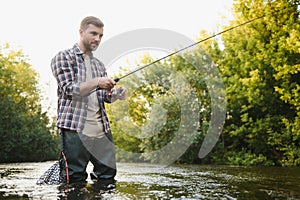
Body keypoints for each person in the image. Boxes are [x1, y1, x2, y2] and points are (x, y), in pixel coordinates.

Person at [51, 16, 126, 184]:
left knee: (108, 176)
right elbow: (70, 90)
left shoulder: (99, 65)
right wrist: (97, 82)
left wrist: (116, 94)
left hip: (101, 129)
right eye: (93, 33)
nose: (97, 39)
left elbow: (103, 96)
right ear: (81, 32)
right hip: (74, 128)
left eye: (100, 35)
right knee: (75, 179)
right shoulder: (63, 58)